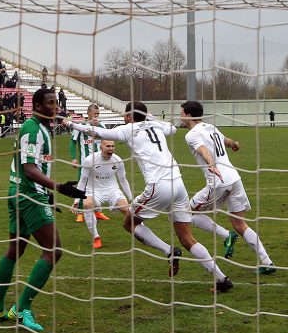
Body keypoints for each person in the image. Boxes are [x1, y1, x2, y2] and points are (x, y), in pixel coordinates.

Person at [62, 101, 233, 292]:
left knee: (129, 223)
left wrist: (70, 124)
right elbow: (173, 129)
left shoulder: (127, 129)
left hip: (158, 186)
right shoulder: (157, 125)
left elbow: (98, 133)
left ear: (128, 116)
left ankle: (168, 251)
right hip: (178, 183)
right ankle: (221, 279)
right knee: (186, 237)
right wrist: (150, 118)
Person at [0, 88, 86, 332]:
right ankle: (21, 308)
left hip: (18, 191)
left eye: (56, 102)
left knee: (15, 250)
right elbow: (29, 168)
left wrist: (48, 192)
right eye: (50, 103)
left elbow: (32, 168)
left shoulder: (40, 128)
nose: (56, 106)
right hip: (28, 196)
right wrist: (59, 188)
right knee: (53, 251)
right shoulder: (33, 130)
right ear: (38, 106)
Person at [180, 100, 276, 274]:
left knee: (187, 213)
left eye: (181, 113)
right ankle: (267, 262)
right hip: (234, 178)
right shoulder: (210, 127)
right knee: (240, 224)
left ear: (188, 115)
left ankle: (226, 236)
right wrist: (234, 144)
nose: (180, 116)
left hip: (219, 180)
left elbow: (203, 150)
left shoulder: (192, 134)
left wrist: (211, 164)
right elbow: (225, 140)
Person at [76, 140, 133, 249]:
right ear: (101, 148)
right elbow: (83, 181)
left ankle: (140, 231)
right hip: (94, 190)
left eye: (113, 146)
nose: (111, 148)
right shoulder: (89, 160)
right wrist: (77, 199)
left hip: (112, 189)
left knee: (127, 209)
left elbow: (123, 179)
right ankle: (96, 237)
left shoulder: (118, 160)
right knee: (87, 205)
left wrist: (131, 197)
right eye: (108, 146)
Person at [69, 104, 109, 222]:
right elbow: (72, 142)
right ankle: (80, 212)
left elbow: (107, 141)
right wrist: (73, 158)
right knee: (83, 186)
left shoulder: (102, 126)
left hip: (99, 163)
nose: (96, 116)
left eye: (97, 114)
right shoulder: (81, 126)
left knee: (98, 185)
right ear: (88, 114)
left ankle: (97, 211)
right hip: (84, 163)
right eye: (94, 114)